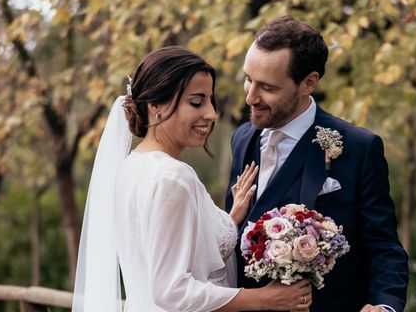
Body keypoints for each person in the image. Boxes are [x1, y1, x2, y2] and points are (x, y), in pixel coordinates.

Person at [72, 46, 312, 311]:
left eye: (210, 101)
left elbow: (166, 246)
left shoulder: (133, 166)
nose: (210, 114)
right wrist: (266, 298)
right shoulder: (172, 178)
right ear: (155, 105)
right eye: (196, 102)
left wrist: (229, 219)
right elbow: (172, 291)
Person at [226, 17, 409, 312]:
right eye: (248, 78)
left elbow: (383, 247)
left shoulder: (359, 148)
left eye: (267, 88)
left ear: (308, 82)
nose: (250, 97)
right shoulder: (242, 139)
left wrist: (384, 306)